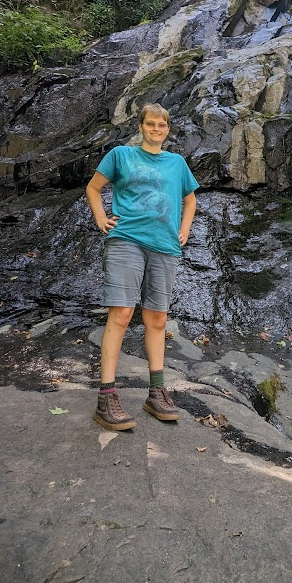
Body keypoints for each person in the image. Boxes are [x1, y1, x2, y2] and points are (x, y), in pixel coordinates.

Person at [83, 103, 200, 431]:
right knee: (121, 314)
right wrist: (101, 218)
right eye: (151, 124)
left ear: (168, 129)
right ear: (141, 126)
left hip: (164, 245)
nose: (156, 129)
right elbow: (93, 188)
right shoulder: (121, 155)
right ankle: (106, 396)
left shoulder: (177, 163)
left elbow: (190, 199)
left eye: (162, 125)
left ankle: (156, 392)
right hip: (127, 240)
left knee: (157, 318)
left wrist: (185, 228)